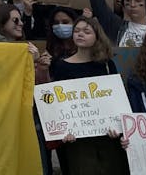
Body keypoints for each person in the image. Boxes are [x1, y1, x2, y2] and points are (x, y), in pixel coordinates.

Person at [48, 17, 129, 175]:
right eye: (77, 31)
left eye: (86, 31)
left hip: (107, 137)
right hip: (78, 141)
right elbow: (57, 105)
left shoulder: (106, 64)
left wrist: (118, 128)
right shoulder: (61, 66)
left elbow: (115, 99)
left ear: (97, 36)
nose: (80, 34)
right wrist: (63, 131)